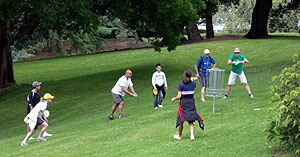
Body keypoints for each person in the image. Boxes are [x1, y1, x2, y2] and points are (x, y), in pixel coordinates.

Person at [172, 69, 204, 141]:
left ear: (184, 75)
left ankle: (179, 136)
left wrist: (174, 98)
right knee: (190, 120)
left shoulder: (181, 85)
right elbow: (192, 83)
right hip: (191, 102)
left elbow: (179, 96)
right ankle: (192, 136)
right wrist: (192, 79)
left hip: (184, 103)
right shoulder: (193, 84)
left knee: (181, 119)